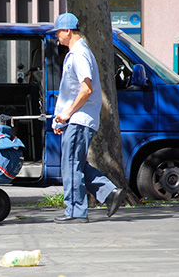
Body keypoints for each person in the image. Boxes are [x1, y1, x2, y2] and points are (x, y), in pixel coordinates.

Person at [51, 13, 124, 224]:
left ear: (67, 31)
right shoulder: (77, 53)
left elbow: (86, 88)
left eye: (58, 31)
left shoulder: (79, 54)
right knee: (76, 163)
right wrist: (60, 119)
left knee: (70, 165)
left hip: (78, 119)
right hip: (75, 119)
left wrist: (67, 114)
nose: (56, 36)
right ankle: (109, 192)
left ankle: (75, 211)